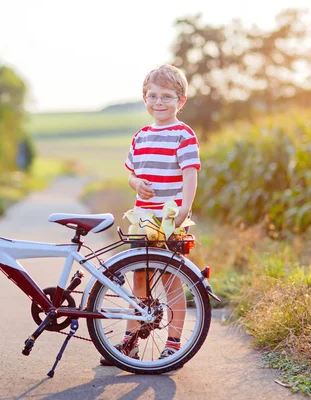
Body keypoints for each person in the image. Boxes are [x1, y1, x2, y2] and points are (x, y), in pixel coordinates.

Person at [100, 64, 200, 365]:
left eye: (167, 97)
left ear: (180, 101)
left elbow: (190, 174)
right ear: (145, 99)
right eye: (153, 96)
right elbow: (132, 173)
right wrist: (136, 183)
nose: (159, 102)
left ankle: (173, 342)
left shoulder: (183, 135)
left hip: (169, 218)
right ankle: (131, 341)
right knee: (139, 279)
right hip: (143, 219)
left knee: (171, 280)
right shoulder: (141, 136)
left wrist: (184, 208)